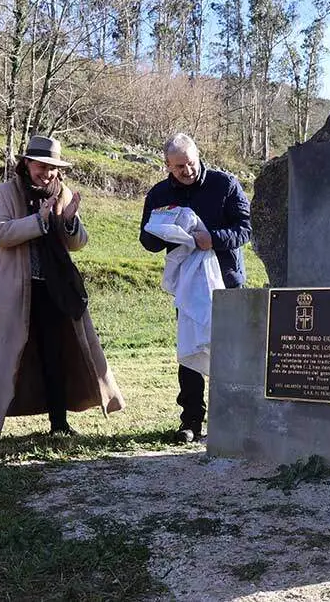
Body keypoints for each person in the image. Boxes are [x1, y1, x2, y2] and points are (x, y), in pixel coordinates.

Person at [0, 136, 125, 454]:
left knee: (57, 354)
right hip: (14, 290)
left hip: (56, 289)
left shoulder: (63, 192)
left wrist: (70, 220)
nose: (47, 174)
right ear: (27, 164)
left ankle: (59, 422)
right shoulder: (6, 192)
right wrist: (39, 220)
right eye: (42, 166)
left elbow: (76, 243)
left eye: (53, 168)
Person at [139, 133, 251, 443]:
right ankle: (190, 422)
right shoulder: (159, 194)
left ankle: (233, 419)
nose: (185, 171)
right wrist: (164, 233)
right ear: (167, 166)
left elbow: (244, 229)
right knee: (190, 351)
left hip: (226, 282)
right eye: (177, 167)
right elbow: (147, 241)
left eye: (189, 164)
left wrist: (211, 239)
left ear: (198, 157)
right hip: (188, 286)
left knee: (230, 352)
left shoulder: (225, 184)